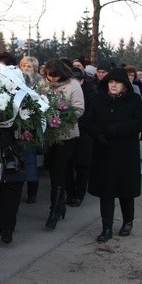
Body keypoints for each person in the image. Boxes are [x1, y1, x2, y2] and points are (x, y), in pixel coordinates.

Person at [87, 68, 142, 243]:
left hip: (125, 151)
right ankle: (106, 227)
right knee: (106, 191)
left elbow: (141, 122)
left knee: (125, 190)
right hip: (104, 150)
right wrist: (98, 134)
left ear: (124, 85)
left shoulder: (134, 99)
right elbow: (88, 121)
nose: (113, 85)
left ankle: (128, 221)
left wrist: (120, 129)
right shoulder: (99, 99)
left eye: (117, 82)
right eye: (110, 82)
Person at [42, 59, 85, 230]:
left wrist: (61, 116)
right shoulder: (44, 84)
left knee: (58, 169)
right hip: (49, 135)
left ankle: (55, 209)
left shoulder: (73, 84)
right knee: (53, 169)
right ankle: (59, 205)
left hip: (67, 135)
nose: (52, 79)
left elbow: (79, 109)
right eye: (49, 76)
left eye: (55, 76)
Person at [65, 67, 97, 207]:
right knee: (67, 165)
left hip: (84, 134)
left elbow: (90, 116)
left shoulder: (91, 94)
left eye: (78, 79)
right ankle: (70, 193)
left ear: (82, 80)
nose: (75, 82)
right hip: (69, 132)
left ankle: (79, 194)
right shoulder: (66, 90)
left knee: (82, 166)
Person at [18, 56, 43, 203]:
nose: (26, 69)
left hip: (32, 127)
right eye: (24, 66)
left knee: (31, 159)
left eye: (30, 67)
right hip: (18, 126)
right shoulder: (16, 81)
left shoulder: (40, 84)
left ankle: (32, 192)